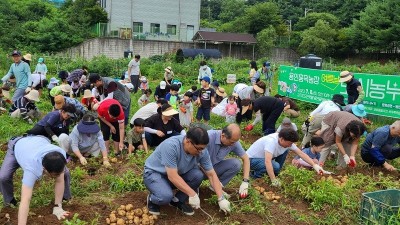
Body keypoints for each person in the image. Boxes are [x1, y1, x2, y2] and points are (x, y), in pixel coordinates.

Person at [143, 127, 231, 216]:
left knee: (197, 176)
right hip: (155, 174)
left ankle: (177, 200)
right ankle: (152, 199)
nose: (201, 152)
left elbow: (211, 174)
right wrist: (192, 194)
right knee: (165, 196)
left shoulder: (201, 151)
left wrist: (221, 198)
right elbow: (172, 176)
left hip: (175, 174)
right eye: (199, 148)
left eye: (203, 148)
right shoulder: (171, 146)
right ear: (188, 141)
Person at [0, 135, 71, 223]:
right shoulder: (31, 169)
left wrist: (57, 207)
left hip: (39, 139)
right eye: (55, 174)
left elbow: (59, 181)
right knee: (3, 177)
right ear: (44, 170)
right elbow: (25, 200)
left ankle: (65, 198)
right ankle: (9, 202)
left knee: (65, 174)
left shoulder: (60, 153)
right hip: (17, 145)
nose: (58, 175)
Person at [246, 128, 325, 186]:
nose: (290, 145)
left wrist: (314, 165)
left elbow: (301, 154)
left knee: (285, 150)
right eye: (289, 143)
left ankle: (275, 173)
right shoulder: (271, 141)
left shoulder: (287, 142)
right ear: (281, 139)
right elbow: (267, 161)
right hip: (250, 160)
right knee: (275, 166)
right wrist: (273, 180)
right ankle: (255, 176)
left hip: (261, 159)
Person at [204, 124, 251, 198]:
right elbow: (197, 160)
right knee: (196, 175)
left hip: (214, 167)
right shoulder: (208, 137)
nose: (233, 144)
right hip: (199, 168)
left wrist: (245, 181)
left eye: (235, 142)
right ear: (223, 136)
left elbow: (246, 159)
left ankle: (216, 187)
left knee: (236, 164)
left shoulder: (234, 142)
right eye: (232, 142)